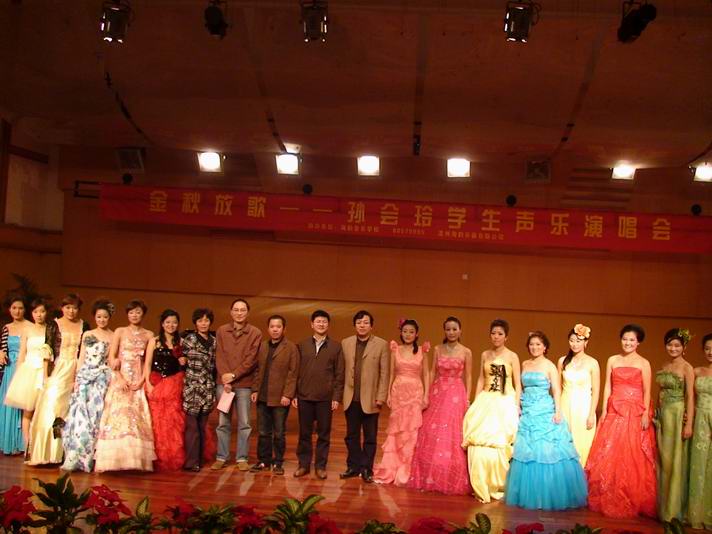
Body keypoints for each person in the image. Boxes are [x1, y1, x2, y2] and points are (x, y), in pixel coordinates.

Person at [504, 331, 587, 510]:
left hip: (544, 410)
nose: (534, 347)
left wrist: (558, 411)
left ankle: (547, 493)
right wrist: (517, 405)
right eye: (531, 344)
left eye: (538, 344)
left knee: (547, 450)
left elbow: (556, 390)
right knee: (526, 451)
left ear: (545, 347)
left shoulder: (550, 366)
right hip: (528, 410)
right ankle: (530, 493)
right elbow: (519, 387)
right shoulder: (525, 364)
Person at [586, 324, 657, 518]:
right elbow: (607, 387)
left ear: (638, 342)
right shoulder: (612, 360)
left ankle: (632, 495)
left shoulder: (644, 363)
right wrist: (604, 410)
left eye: (632, 340)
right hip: (615, 409)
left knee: (632, 453)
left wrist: (645, 414)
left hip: (635, 411)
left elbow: (647, 390)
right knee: (609, 451)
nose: (628, 343)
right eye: (625, 339)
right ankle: (610, 491)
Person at [408, 316, 471, 494]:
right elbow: (431, 372)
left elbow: (469, 376)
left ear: (460, 331)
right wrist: (426, 394)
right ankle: (430, 473)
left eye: (454, 329)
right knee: (430, 431)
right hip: (438, 391)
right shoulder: (437, 349)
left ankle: (448, 472)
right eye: (448, 329)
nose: (451, 332)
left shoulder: (466, 351)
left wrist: (467, 398)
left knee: (452, 432)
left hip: (456, 394)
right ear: (444, 331)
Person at [462, 318, 521, 503]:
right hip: (486, 399)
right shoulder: (485, 354)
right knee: (479, 441)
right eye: (493, 333)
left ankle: (498, 483)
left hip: (505, 400)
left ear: (506, 337)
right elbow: (481, 378)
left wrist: (517, 404)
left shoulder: (512, 356)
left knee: (500, 443)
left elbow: (518, 383)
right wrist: (475, 401)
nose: (496, 337)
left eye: (500, 334)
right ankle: (481, 484)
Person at [94, 300, 157, 472]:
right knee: (118, 417)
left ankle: (135, 461)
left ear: (143, 314)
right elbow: (111, 357)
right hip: (120, 379)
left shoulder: (149, 335)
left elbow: (147, 362)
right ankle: (114, 461)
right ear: (127, 314)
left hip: (137, 380)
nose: (134, 315)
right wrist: (119, 378)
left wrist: (142, 381)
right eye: (131, 312)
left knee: (136, 418)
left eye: (138, 312)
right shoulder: (120, 331)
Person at [27, 293, 87, 465]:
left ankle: (66, 454)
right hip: (59, 369)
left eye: (74, 308)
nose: (71, 311)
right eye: (68, 307)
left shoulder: (84, 325)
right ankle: (47, 452)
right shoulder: (54, 324)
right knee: (52, 406)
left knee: (71, 410)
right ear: (62, 308)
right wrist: (45, 376)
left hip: (77, 369)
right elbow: (47, 350)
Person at [373, 319, 430, 486]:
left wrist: (426, 395)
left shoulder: (422, 350)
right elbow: (391, 373)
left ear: (416, 334)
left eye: (411, 332)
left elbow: (426, 374)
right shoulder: (395, 349)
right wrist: (388, 393)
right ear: (401, 332)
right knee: (396, 430)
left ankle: (408, 469)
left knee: (412, 430)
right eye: (405, 331)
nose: (408, 334)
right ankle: (392, 467)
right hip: (398, 392)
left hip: (415, 393)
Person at [61, 299, 114, 472]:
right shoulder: (88, 334)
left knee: (96, 417)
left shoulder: (113, 336)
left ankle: (90, 458)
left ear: (109, 318)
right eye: (99, 317)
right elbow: (81, 357)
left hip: (101, 379)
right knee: (80, 417)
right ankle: (74, 456)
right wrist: (76, 379)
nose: (102, 320)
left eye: (105, 317)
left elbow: (111, 360)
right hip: (85, 377)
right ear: (94, 317)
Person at [293, 310, 345, 479]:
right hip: (304, 396)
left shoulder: (336, 347)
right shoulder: (302, 345)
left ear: (328, 325)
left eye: (324, 321)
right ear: (312, 324)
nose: (321, 324)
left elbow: (339, 374)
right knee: (304, 433)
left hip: (325, 398)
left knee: (324, 434)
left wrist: (336, 397)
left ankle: (321, 466)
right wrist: (295, 394)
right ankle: (303, 465)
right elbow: (295, 372)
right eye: (318, 321)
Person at [340, 310, 389, 483]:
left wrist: (381, 396)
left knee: (370, 437)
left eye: (366, 322)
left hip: (371, 399)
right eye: (359, 322)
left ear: (371, 326)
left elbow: (385, 373)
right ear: (355, 325)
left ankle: (367, 468)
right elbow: (341, 370)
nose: (362, 325)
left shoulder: (381, 344)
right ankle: (353, 466)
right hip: (350, 397)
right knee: (351, 436)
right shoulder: (345, 343)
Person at [212, 298, 262, 471]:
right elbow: (219, 356)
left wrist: (233, 375)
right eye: (236, 310)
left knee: (245, 423)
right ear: (231, 312)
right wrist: (225, 378)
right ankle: (221, 456)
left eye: (242, 310)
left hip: (244, 385)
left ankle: (242, 458)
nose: (239, 313)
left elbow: (251, 359)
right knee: (223, 422)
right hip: (223, 384)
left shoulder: (255, 333)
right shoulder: (221, 331)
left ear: (247, 312)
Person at [250, 315, 299, 476]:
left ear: (284, 329)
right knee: (263, 432)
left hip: (280, 398)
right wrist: (255, 390)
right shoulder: (263, 346)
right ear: (268, 329)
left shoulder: (291, 347)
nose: (275, 329)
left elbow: (293, 373)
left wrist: (288, 395)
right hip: (262, 396)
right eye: (272, 326)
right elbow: (257, 370)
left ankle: (278, 461)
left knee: (279, 433)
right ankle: (264, 460)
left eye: (278, 326)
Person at [655, 328, 695, 522]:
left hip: (677, 414)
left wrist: (689, 424)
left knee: (675, 460)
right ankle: (662, 507)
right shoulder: (665, 364)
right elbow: (660, 391)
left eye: (677, 345)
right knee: (663, 460)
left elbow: (690, 396)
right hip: (663, 415)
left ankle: (672, 510)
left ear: (683, 347)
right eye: (670, 345)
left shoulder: (687, 367)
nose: (673, 348)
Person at [144, 309, 186, 471]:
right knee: (157, 421)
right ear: (162, 324)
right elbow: (147, 364)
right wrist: (148, 383)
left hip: (175, 383)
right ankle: (157, 455)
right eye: (168, 322)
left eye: (174, 322)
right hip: (157, 383)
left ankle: (173, 454)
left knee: (174, 422)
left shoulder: (181, 341)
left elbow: (184, 365)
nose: (171, 325)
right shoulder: (154, 341)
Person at [558, 324, 600, 466]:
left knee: (583, 445)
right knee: (564, 442)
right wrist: (557, 409)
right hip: (565, 405)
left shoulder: (592, 363)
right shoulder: (562, 361)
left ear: (585, 342)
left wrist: (591, 414)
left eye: (578, 341)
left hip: (584, 408)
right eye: (572, 340)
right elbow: (557, 388)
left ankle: (580, 476)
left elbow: (596, 391)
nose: (574, 344)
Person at [182, 308, 218, 472]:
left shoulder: (214, 341)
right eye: (200, 321)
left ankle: (200, 459)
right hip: (192, 387)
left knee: (202, 426)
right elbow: (181, 360)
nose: (203, 324)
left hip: (207, 387)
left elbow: (214, 366)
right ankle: (191, 461)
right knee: (192, 427)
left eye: (206, 320)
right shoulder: (188, 339)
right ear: (195, 323)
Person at [0, 296, 32, 454]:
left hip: (25, 368)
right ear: (9, 310)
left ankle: (23, 443)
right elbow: (3, 348)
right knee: (8, 404)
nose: (17, 311)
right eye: (14, 308)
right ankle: (7, 442)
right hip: (9, 369)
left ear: (25, 310)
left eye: (20, 308)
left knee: (23, 405)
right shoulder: (6, 328)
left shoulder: (31, 327)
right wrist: (1, 352)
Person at [688, 333, 712, 529]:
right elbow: (689, 397)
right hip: (699, 421)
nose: (710, 352)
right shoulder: (696, 371)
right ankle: (696, 513)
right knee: (698, 464)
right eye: (707, 348)